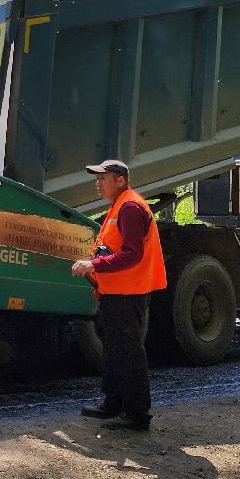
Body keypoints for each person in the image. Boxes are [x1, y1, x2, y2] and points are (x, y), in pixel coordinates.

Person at [70, 159, 166, 431]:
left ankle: (137, 414)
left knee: (128, 353)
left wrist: (94, 264)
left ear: (120, 180)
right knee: (114, 351)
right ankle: (113, 404)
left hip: (128, 293)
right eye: (97, 178)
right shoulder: (121, 205)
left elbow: (132, 255)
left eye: (103, 178)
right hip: (116, 292)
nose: (97, 183)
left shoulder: (131, 207)